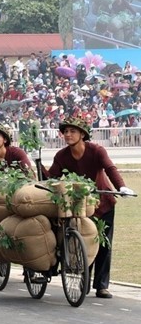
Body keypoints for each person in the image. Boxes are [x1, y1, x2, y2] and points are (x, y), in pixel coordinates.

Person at [47, 117, 135, 299]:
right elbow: (51, 177)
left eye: (73, 131)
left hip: (103, 203)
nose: (68, 135)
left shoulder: (96, 151)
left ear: (82, 134)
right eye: (66, 132)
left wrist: (121, 187)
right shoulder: (61, 156)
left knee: (104, 243)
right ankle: (83, 279)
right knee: (84, 242)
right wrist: (37, 163)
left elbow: (110, 168)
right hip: (79, 206)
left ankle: (102, 285)